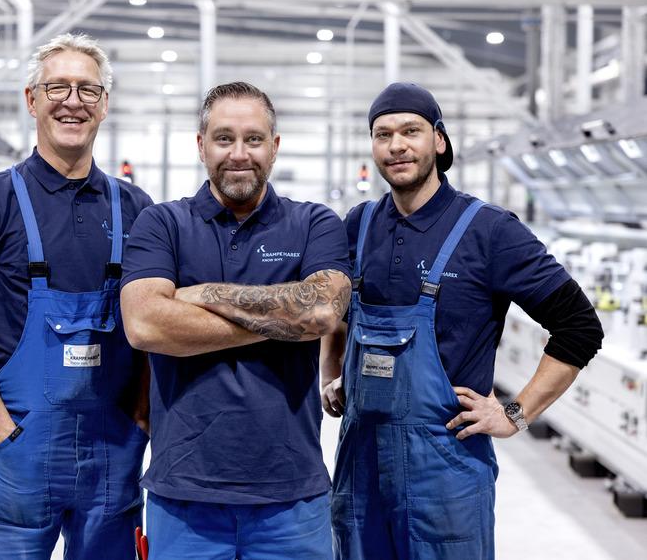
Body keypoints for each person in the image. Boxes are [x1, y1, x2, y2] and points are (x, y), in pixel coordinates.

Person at [321, 82, 604, 560]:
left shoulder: (489, 230)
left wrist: (516, 413)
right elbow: (337, 312)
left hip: (445, 469)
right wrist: (332, 372)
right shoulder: (358, 224)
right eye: (382, 133)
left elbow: (579, 326)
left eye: (411, 131)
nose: (396, 145)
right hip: (361, 463)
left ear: (439, 140)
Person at [0, 33, 153, 560]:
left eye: (88, 90)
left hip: (113, 450)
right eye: (57, 87)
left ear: (104, 105)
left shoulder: (138, 207)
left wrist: (140, 423)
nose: (72, 101)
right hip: (19, 450)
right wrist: (0, 432)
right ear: (32, 101)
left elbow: (153, 332)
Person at [119, 81, 352, 560]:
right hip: (184, 496)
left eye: (254, 139)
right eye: (224, 138)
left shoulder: (314, 223)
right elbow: (144, 325)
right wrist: (284, 316)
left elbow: (323, 311)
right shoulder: (163, 224)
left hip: (292, 496)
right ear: (201, 145)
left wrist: (201, 296)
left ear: (275, 146)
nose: (239, 153)